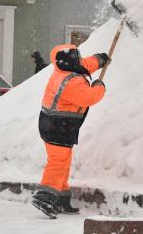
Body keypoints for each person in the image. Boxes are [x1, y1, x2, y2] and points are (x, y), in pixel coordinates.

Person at [33, 44, 110, 216]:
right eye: (74, 57)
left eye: (76, 55)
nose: (77, 59)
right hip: (57, 126)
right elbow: (88, 97)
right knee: (58, 162)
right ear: (65, 61)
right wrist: (99, 86)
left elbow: (86, 64)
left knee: (62, 162)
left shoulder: (66, 68)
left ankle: (60, 200)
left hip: (55, 125)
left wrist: (100, 59)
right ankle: (44, 198)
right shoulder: (70, 81)